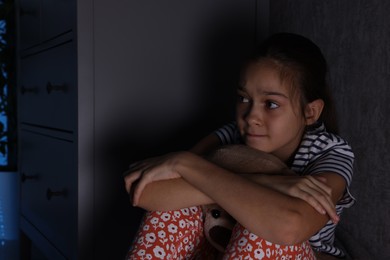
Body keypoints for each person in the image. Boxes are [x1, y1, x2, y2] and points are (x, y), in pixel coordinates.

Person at [123, 32, 355, 259]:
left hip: (297, 252)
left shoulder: (331, 152)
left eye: (271, 104)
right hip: (226, 251)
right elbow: (144, 192)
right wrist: (271, 182)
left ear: (310, 111)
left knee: (265, 222)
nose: (251, 116)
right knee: (176, 209)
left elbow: (290, 227)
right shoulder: (233, 134)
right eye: (244, 98)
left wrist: (187, 164)